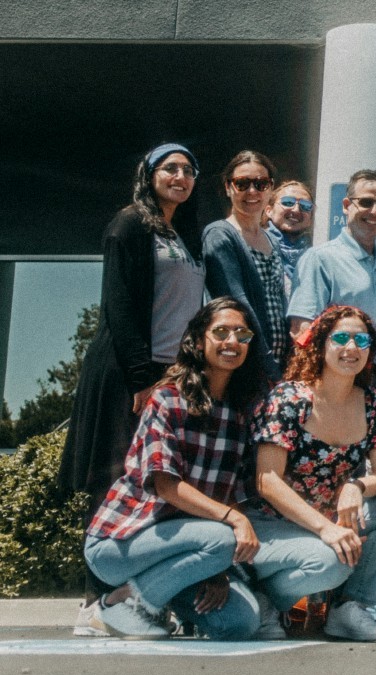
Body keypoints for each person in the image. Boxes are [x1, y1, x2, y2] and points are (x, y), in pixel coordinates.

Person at [62, 142, 205, 637]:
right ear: (148, 173)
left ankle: (137, 598)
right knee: (114, 483)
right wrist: (142, 377)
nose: (181, 176)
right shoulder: (129, 224)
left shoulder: (182, 235)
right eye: (170, 168)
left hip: (173, 377)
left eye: (188, 170)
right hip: (131, 376)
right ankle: (93, 602)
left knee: (157, 488)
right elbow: (119, 306)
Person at [82, 297, 265, 640]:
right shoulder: (167, 399)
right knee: (225, 538)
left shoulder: (241, 414)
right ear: (198, 342)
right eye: (221, 332)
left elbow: (234, 496)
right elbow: (166, 486)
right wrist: (232, 525)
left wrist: (218, 570)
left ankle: (154, 598)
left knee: (241, 622)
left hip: (192, 548)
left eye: (242, 334)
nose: (232, 342)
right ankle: (118, 603)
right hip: (120, 543)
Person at [246, 305, 376, 642]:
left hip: (329, 518)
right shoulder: (289, 398)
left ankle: (351, 608)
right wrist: (326, 529)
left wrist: (356, 485)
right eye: (340, 338)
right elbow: (267, 481)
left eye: (360, 340)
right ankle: (266, 598)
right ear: (321, 345)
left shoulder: (373, 401)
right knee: (332, 563)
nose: (351, 348)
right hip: (271, 524)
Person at [287, 169, 376, 398]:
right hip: (331, 383)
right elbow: (301, 331)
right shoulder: (320, 259)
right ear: (346, 205)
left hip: (374, 386)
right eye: (366, 202)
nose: (375, 211)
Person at [203, 150, 289, 380]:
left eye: (261, 184)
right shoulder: (220, 235)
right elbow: (237, 303)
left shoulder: (271, 239)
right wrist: (266, 362)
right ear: (228, 187)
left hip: (277, 362)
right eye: (242, 184)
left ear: (270, 188)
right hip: (244, 362)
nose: (252, 191)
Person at [266, 180, 314, 292]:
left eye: (305, 206)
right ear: (269, 211)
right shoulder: (255, 246)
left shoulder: (318, 252)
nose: (296, 210)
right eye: (287, 202)